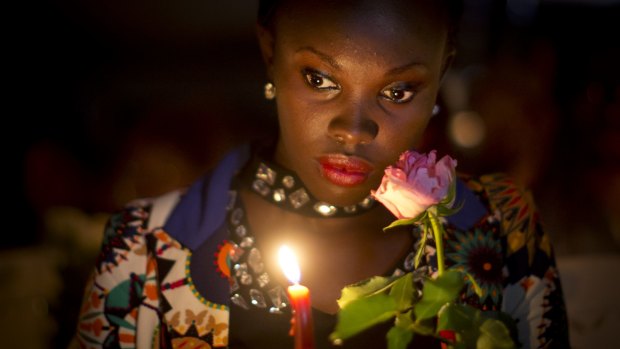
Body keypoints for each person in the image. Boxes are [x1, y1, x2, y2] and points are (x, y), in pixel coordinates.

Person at [72, 0, 570, 348]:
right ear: (270, 52)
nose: (353, 131)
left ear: (443, 72)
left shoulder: (502, 232)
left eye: (398, 91)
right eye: (320, 79)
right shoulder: (145, 250)